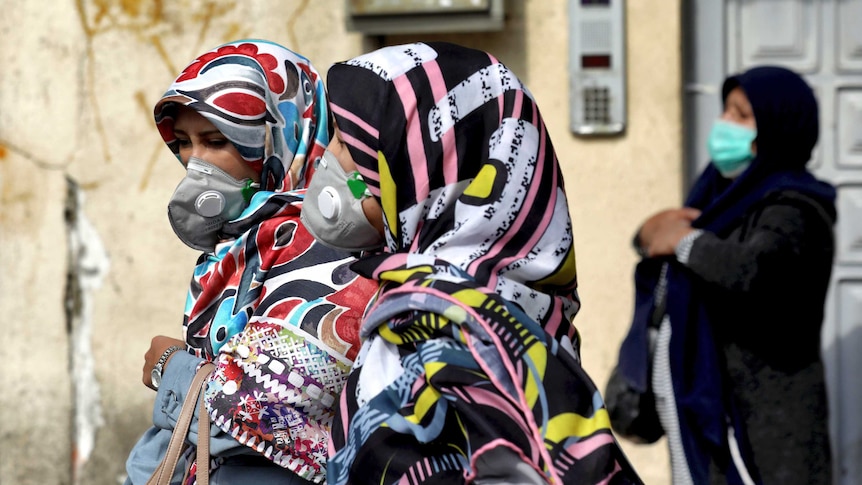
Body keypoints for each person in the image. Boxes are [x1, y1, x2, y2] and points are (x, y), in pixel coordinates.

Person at [298, 41, 643, 484]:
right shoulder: (495, 297)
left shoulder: (440, 321)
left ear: (419, 162)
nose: (330, 158)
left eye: (349, 143)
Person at [123, 39, 377, 484]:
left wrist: (171, 367)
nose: (195, 162)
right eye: (184, 142)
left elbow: (263, 409)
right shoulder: (240, 243)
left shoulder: (321, 243)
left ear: (283, 136)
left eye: (216, 141)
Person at [621, 66, 835, 484]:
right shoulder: (721, 199)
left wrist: (683, 242)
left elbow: (751, 272)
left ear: (777, 129)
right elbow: (668, 259)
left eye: (741, 115)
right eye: (726, 111)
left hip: (766, 424)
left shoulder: (794, 211)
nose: (724, 125)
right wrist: (648, 235)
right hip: (710, 411)